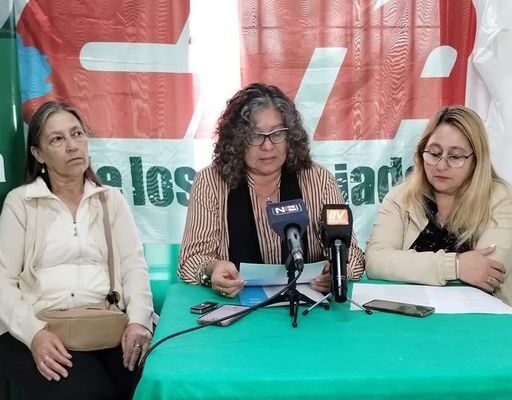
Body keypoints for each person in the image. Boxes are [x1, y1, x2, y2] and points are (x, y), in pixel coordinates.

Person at [0, 101, 154, 400]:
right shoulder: (21, 203)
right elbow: (3, 282)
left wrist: (138, 322)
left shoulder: (111, 200)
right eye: (57, 139)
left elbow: (134, 267)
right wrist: (35, 335)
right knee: (89, 392)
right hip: (39, 327)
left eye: (77, 134)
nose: (72, 146)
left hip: (106, 323)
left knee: (152, 381)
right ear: (38, 154)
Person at [178, 83, 365, 297]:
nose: (267, 146)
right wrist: (211, 270)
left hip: (310, 307)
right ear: (237, 140)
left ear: (290, 136)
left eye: (277, 134)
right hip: (236, 305)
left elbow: (354, 256)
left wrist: (338, 270)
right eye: (255, 136)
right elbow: (190, 261)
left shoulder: (319, 180)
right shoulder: (210, 182)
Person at [365, 106, 512, 305]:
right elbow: (375, 262)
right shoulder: (400, 197)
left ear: (477, 160)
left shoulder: (500, 198)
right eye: (434, 154)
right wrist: (455, 266)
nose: (441, 166)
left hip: (479, 317)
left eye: (456, 157)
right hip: (411, 314)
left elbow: (488, 273)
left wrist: (408, 266)